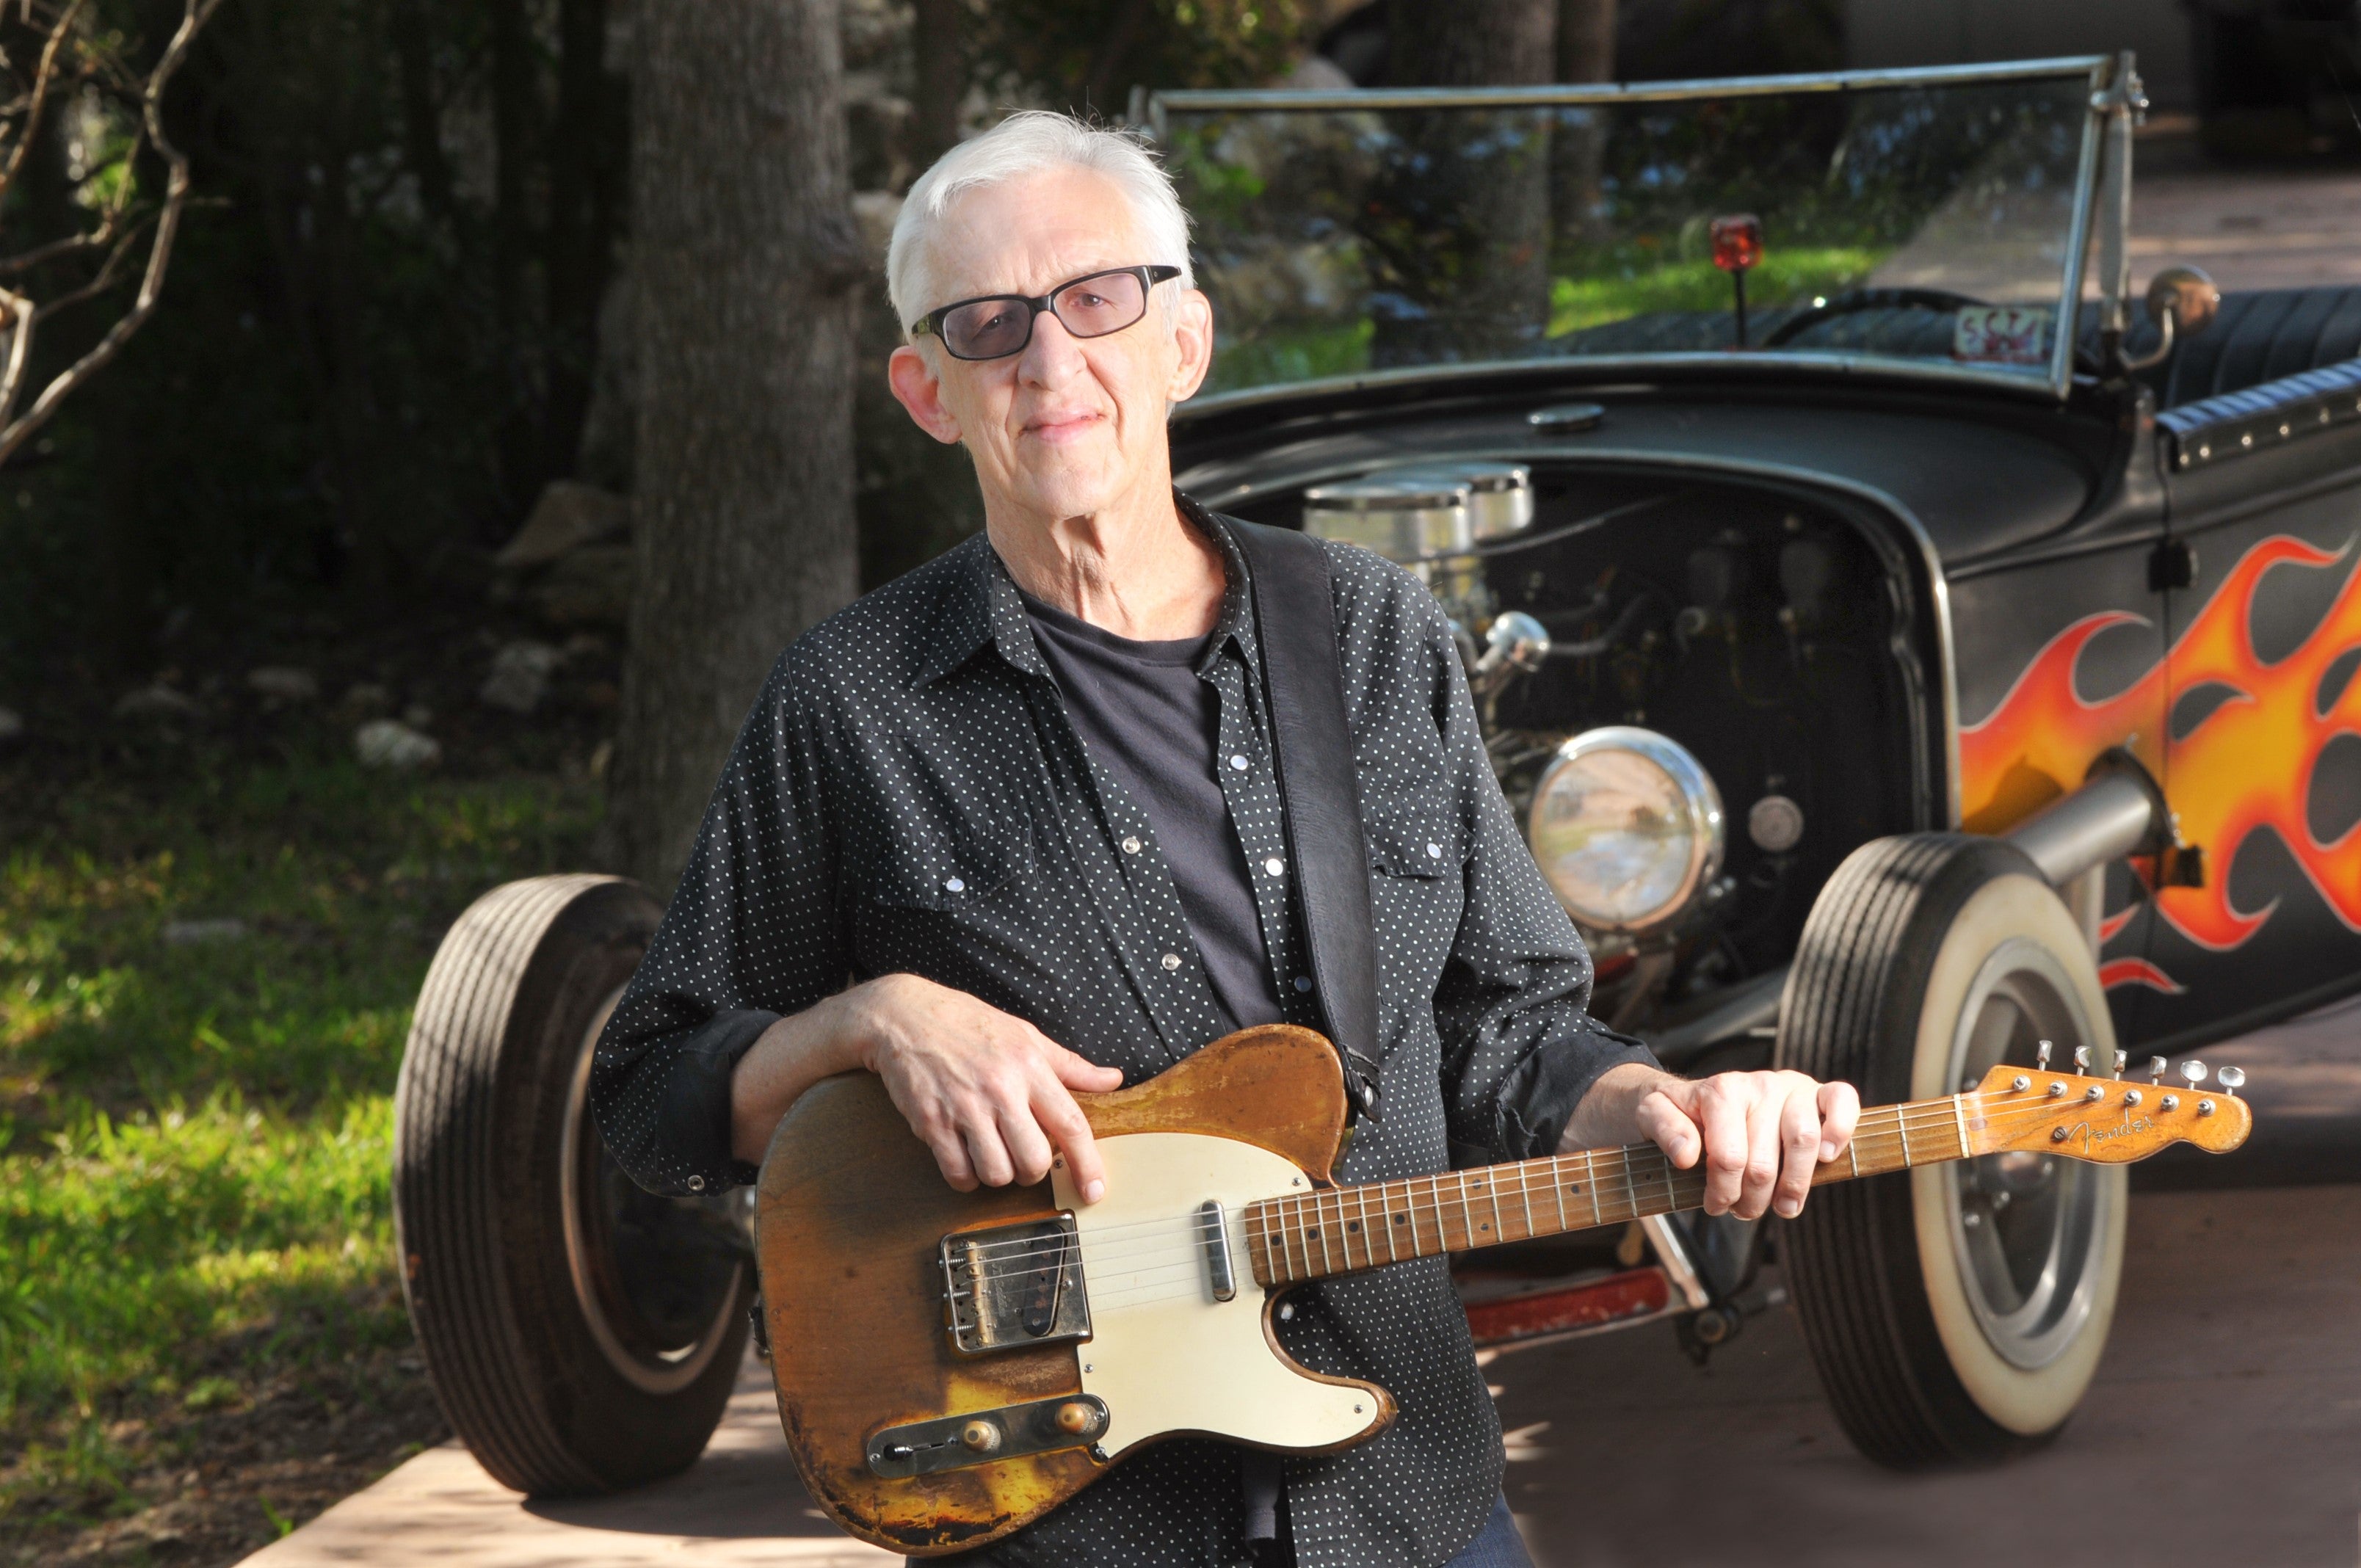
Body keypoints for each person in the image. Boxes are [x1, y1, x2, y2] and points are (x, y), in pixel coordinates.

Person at [591, 110, 1860, 1568]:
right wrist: (869, 1024)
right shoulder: (854, 702)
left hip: (1409, 1501)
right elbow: (648, 1093)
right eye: (988, 323)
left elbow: (1505, 1033)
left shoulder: (1373, 635)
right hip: (1075, 1525)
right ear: (925, 389)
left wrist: (1659, 1106)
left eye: (1097, 299)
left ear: (1184, 340)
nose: (1049, 360)